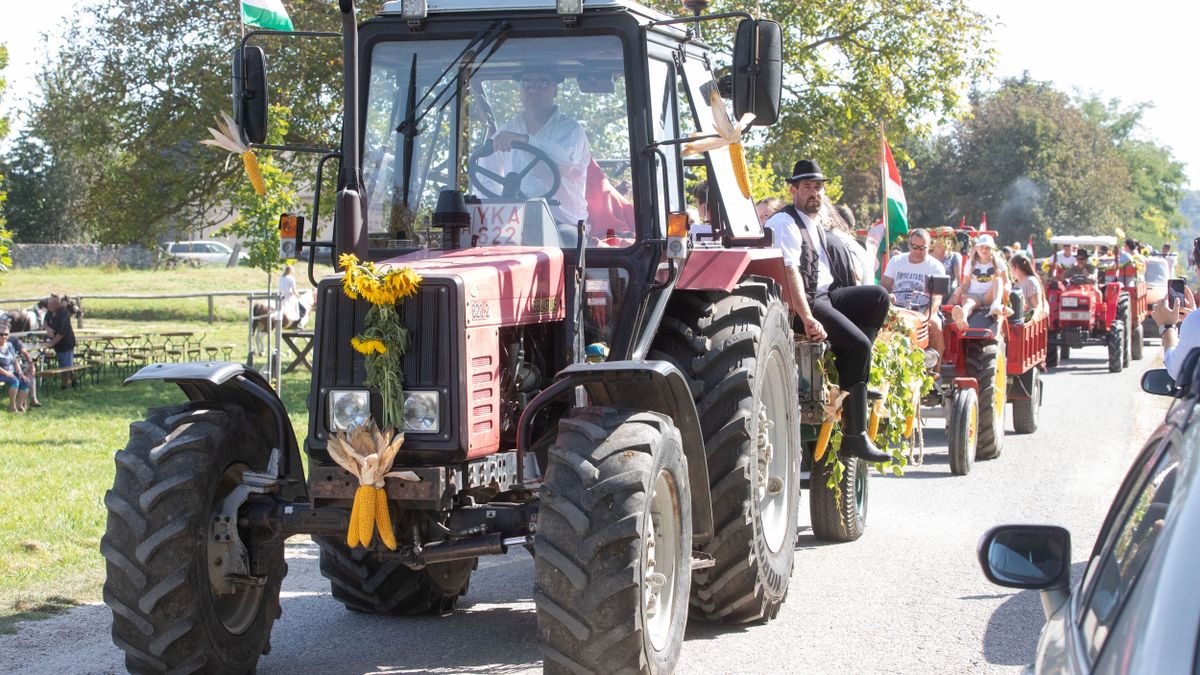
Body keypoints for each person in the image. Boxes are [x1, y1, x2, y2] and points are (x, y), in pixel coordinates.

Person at [767, 159, 892, 463]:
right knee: (859, 344)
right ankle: (854, 436)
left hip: (827, 294)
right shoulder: (784, 222)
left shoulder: (814, 221)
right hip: (807, 300)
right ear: (793, 190)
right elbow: (789, 273)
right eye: (808, 187)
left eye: (819, 187)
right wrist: (807, 316)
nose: (815, 193)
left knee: (878, 297)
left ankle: (853, 374)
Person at [479, 67, 591, 224]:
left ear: (555, 91)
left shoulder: (571, 130)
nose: (533, 89)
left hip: (563, 222)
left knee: (567, 239)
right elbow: (485, 177)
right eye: (526, 83)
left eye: (543, 83)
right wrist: (496, 214)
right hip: (516, 221)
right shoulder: (506, 131)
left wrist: (525, 140)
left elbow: (563, 163)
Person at [882, 228, 946, 353]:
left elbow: (937, 298)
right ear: (909, 245)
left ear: (929, 247)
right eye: (915, 247)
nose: (918, 251)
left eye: (923, 248)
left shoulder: (936, 266)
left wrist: (927, 315)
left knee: (935, 325)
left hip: (923, 309)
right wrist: (888, 299)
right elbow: (884, 287)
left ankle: (935, 368)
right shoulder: (896, 261)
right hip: (897, 308)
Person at [949, 234, 1007, 330]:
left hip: (989, 296)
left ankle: (995, 305)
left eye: (987, 248)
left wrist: (1007, 288)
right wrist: (960, 288)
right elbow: (966, 283)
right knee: (968, 305)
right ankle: (963, 318)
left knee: (998, 280)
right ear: (977, 248)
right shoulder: (970, 263)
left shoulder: (999, 262)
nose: (984, 250)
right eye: (981, 247)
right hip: (973, 295)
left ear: (992, 249)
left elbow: (1006, 282)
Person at [44, 294, 77, 388]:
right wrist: (48, 329)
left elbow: (61, 333)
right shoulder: (49, 312)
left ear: (57, 304)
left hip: (66, 343)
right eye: (48, 303)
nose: (48, 305)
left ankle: (64, 386)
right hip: (57, 344)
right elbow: (44, 323)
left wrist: (51, 343)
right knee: (65, 364)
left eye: (51, 303)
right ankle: (74, 381)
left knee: (65, 366)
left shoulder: (64, 313)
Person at [0, 323, 30, 412]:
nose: (4, 336)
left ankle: (19, 405)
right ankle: (12, 407)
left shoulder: (9, 345)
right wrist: (7, 373)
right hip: (2, 372)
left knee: (25, 381)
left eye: (6, 334)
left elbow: (15, 361)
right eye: (1, 334)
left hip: (10, 372)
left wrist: (20, 373)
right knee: (15, 381)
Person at [1009, 254, 1047, 323]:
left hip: (1025, 323)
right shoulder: (1014, 283)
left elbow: (1038, 305)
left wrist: (1034, 318)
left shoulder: (1030, 281)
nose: (1010, 270)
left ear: (1015, 267)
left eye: (1011, 267)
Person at [930, 226, 963, 295]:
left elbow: (959, 281)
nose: (942, 241)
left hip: (947, 292)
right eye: (939, 237)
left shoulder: (955, 256)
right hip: (928, 290)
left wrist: (955, 296)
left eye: (947, 238)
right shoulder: (926, 256)